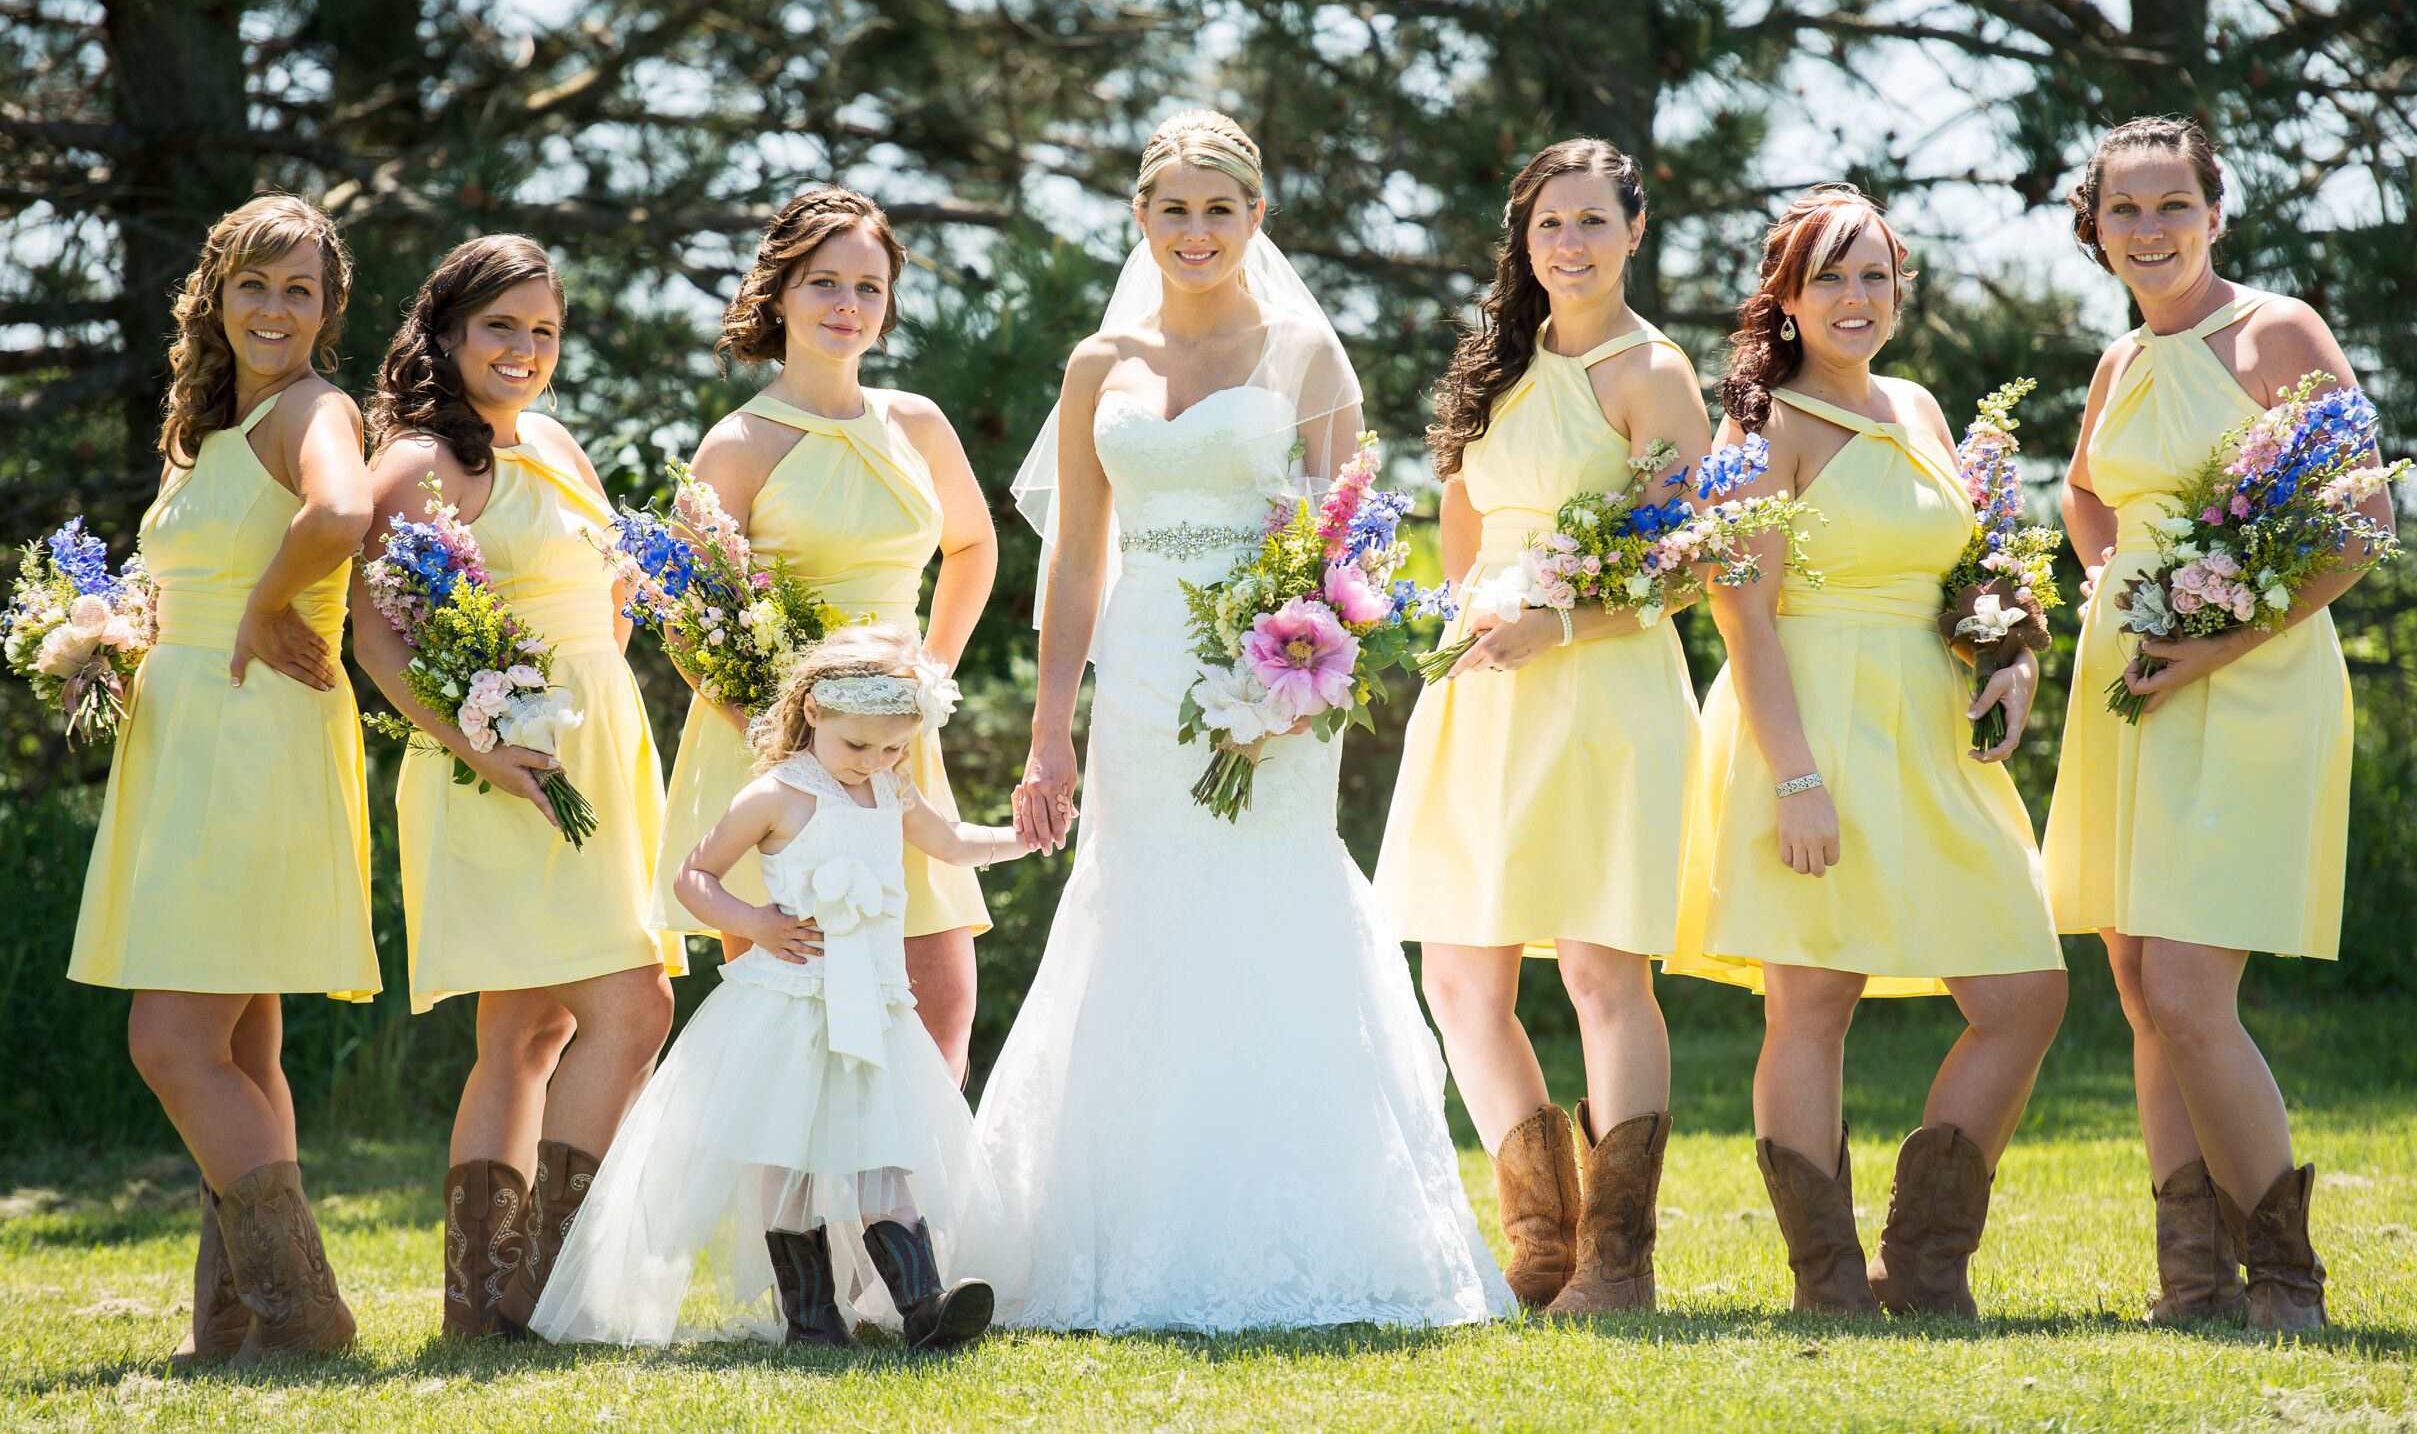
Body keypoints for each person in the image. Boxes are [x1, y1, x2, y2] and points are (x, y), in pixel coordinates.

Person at [980, 109, 1514, 1331]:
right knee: (1141, 906)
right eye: (1172, 208)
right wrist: (1050, 730)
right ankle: (1126, 1219)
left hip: (1280, 666)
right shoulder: (1094, 368)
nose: (1196, 230)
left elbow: (1356, 538)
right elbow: (1072, 565)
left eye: (1220, 209)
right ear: (1139, 219)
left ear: (1256, 220)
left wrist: (1306, 670)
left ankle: (1309, 1216)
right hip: (1143, 667)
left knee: (1270, 899)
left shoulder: (1305, 355)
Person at [1668, 184, 2066, 1318]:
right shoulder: (1762, 429)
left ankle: (1923, 1260)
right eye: (1828, 278)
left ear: (1899, 292)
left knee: (2025, 993)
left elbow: (1974, 567)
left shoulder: (1923, 406)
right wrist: (1795, 781)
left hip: (1935, 730)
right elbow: (1740, 618)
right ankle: (1828, 1281)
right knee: (1813, 1002)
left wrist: (2013, 656)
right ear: (1785, 298)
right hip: (1813, 722)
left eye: (1873, 277)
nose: (1854, 298)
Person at [2043, 116, 2393, 1334]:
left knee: (2189, 985)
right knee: (2139, 981)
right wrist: (2119, 594)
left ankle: (2286, 1283)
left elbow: (2361, 523)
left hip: (2249, 684)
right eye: (2123, 210)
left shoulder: (2275, 333)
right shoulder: (2116, 364)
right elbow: (2087, 495)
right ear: (2093, 227)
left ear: (2214, 212)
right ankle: (2191, 1282)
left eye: (2170, 204)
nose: (2148, 230)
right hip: (2139, 677)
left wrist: (2218, 636)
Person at [1376, 138, 1711, 1314]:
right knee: (1460, 973)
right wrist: (1467, 633)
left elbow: (1682, 567)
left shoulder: (1651, 371)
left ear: (1633, 231)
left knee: (1597, 965)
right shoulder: (1494, 369)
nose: (1568, 243)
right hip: (1483, 684)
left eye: (1590, 222)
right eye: (1546, 224)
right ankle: (1541, 1243)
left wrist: (1558, 628)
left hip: (1601, 682)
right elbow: (1463, 540)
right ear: (1522, 241)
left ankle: (1619, 1262)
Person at [355, 234, 683, 1338]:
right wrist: (480, 743)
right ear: (445, 334)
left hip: (598, 747)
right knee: (634, 1007)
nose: (525, 350)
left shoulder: (550, 441)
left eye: (543, 331)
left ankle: (477, 1312)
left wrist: (627, 595)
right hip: (511, 772)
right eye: (501, 326)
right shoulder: (415, 465)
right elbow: (374, 636)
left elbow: (597, 591)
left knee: (527, 1034)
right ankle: (540, 1296)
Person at [70, 193, 379, 1363]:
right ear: (214, 295)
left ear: (326, 311)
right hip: (197, 733)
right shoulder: (204, 434)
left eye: (300, 289)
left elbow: (341, 510)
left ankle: (304, 1318)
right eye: (255, 283)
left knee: (173, 1043)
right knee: (243, 1047)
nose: (275, 308)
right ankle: (235, 1322)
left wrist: (260, 607)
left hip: (252, 739)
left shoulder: (315, 408)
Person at [533, 623, 1029, 1350]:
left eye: (893, 746)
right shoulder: (776, 795)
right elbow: (692, 877)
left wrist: (1025, 834)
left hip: (875, 1002)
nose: (874, 762)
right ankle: (811, 1318)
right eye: (859, 746)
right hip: (792, 1002)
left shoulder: (890, 790)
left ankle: (925, 1307)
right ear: (815, 713)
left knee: (882, 1149)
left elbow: (952, 843)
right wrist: (753, 922)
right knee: (787, 1158)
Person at [652, 186, 997, 1082]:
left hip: (895, 740)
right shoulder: (738, 443)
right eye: (824, 284)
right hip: (770, 750)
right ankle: (792, 1227)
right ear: (779, 293)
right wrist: (783, 735)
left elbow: (971, 546)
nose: (848, 306)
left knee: (939, 996)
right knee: (788, 1018)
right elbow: (685, 617)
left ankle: (903, 1221)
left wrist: (929, 685)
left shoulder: (916, 422)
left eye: (869, 288)